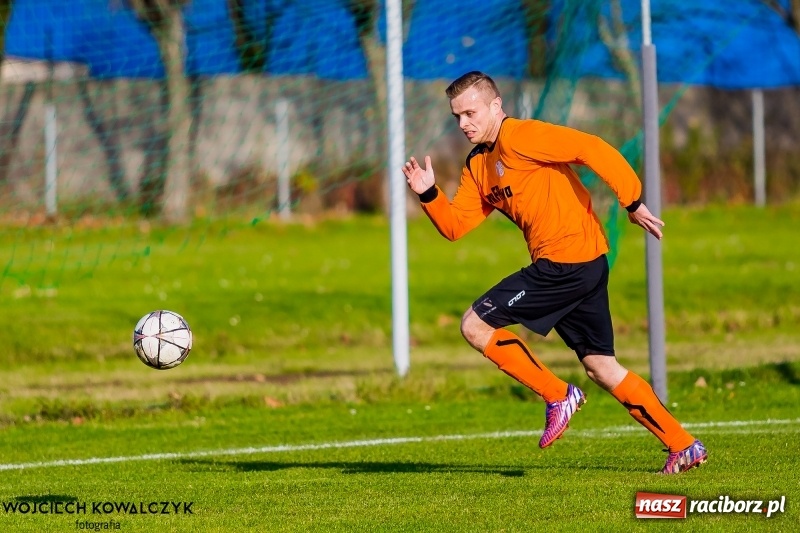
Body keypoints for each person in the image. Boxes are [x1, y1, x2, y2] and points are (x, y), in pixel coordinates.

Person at [402, 71, 707, 474]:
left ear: (496, 106)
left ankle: (558, 396)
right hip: (584, 263)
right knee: (601, 366)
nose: (463, 124)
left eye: (471, 113)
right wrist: (428, 192)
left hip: (567, 262)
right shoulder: (478, 164)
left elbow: (591, 148)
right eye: (457, 116)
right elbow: (456, 226)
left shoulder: (521, 136)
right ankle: (682, 445)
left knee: (475, 325)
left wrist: (632, 202)